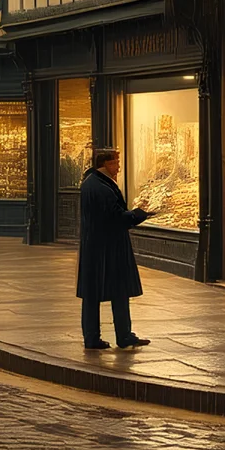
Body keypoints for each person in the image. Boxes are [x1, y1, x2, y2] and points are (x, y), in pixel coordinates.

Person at [77, 148, 152, 350]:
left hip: (96, 247)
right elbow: (116, 218)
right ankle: (121, 335)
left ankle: (96, 337)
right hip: (108, 248)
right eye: (116, 163)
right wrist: (139, 214)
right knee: (118, 290)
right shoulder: (101, 188)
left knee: (94, 294)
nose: (118, 167)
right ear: (106, 164)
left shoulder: (91, 183)